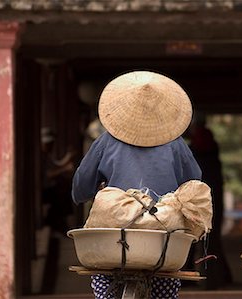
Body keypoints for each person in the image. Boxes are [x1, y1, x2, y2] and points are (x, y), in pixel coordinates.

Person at [71, 71, 202, 299]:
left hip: (115, 237)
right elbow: (195, 183)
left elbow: (81, 186)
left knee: (103, 275)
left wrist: (88, 193)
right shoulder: (176, 144)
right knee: (167, 279)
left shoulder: (106, 141)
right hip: (162, 235)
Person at [187, 113, 233, 289]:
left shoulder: (195, 147)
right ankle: (217, 278)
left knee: (190, 236)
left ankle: (188, 275)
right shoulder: (211, 145)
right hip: (213, 195)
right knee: (212, 239)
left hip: (198, 196)